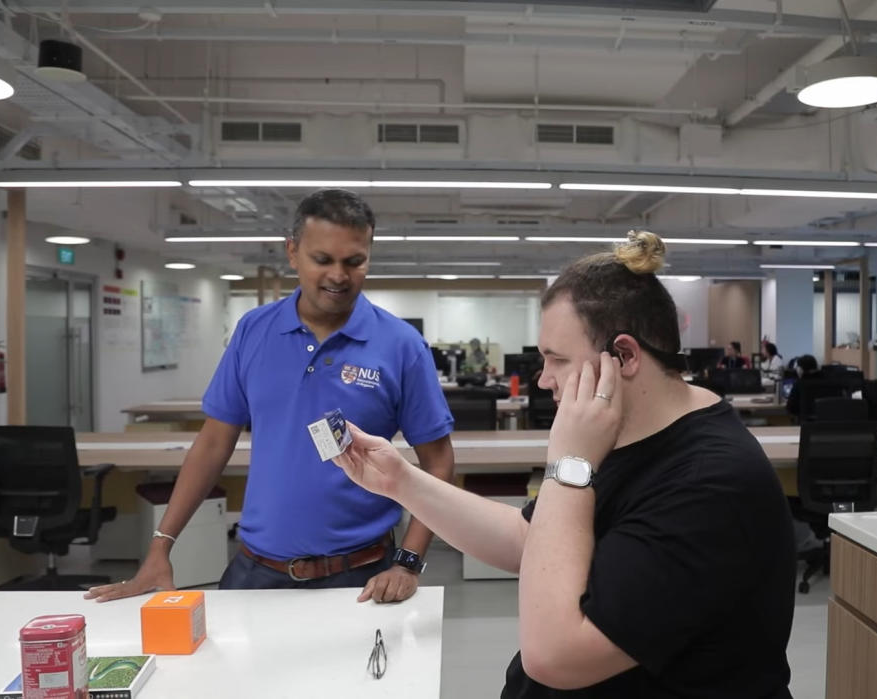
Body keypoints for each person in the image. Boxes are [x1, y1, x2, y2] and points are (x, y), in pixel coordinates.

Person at [332, 231, 796, 697]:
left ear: (626, 356)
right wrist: (401, 481)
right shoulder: (625, 433)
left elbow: (555, 657)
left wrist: (569, 464)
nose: (543, 378)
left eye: (556, 359)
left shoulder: (711, 484)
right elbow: (527, 541)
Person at [85, 189, 456, 604]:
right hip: (255, 571)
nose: (339, 275)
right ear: (293, 252)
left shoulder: (401, 345)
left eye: (354, 261)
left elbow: (438, 461)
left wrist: (407, 562)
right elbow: (211, 444)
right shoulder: (253, 330)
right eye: (323, 260)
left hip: (360, 577)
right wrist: (161, 546)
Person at [785, 353, 821, 418]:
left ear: (800, 370)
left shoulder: (799, 384)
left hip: (806, 425)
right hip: (829, 425)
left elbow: (790, 408)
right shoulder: (828, 381)